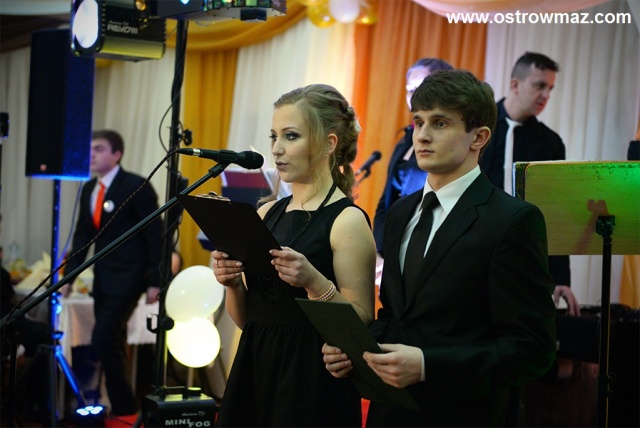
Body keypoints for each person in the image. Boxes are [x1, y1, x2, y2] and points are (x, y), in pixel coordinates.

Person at [323, 70, 557, 427]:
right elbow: (395, 317)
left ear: (479, 137)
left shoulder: (512, 221)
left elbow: (531, 348)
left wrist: (427, 365)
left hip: (462, 415)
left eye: (440, 123)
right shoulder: (400, 213)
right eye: (418, 122)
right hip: (390, 413)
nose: (422, 135)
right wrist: (353, 349)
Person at [212, 84, 376, 426]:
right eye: (274, 137)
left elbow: (360, 321)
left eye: (291, 136)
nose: (276, 149)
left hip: (311, 375)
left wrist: (314, 282)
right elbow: (250, 321)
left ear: (329, 143)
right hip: (256, 365)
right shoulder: (266, 213)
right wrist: (232, 284)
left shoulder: (346, 220)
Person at [63, 129, 162, 416]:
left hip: (130, 278)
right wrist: (68, 278)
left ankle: (124, 406)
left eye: (99, 149)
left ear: (116, 154)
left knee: (103, 339)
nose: (91, 154)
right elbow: (82, 238)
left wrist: (155, 281)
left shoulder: (135, 185)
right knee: (112, 342)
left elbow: (155, 237)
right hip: (103, 279)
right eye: (89, 149)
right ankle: (124, 410)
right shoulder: (88, 189)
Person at [479, 52, 579, 316]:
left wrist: (561, 278)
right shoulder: (478, 128)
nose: (546, 95)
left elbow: (555, 211)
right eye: (540, 85)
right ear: (515, 84)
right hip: (473, 251)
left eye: (550, 88)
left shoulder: (550, 143)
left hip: (523, 260)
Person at [373, 58, 453, 283]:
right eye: (410, 89)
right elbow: (385, 204)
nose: (413, 95)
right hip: (391, 253)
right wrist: (381, 253)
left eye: (421, 87)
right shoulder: (404, 141)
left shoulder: (449, 145)